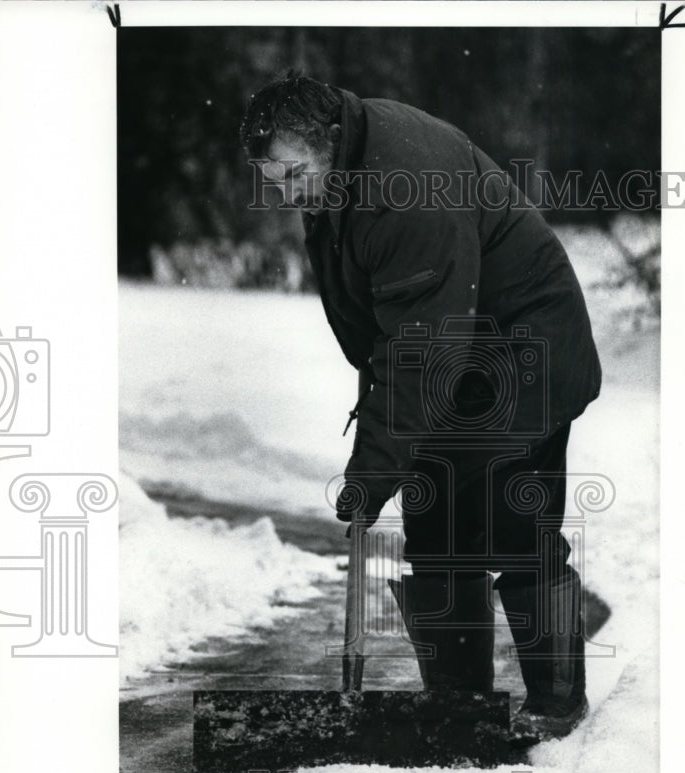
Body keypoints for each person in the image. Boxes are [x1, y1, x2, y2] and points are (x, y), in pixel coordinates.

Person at [240, 73, 602, 739]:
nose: (283, 195)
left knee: (512, 525)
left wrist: (372, 470)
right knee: (435, 528)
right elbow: (398, 324)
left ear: (326, 140)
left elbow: (422, 351)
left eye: (290, 176)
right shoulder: (340, 167)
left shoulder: (404, 188)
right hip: (461, 353)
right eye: (273, 180)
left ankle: (557, 705)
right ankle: (460, 706)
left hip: (525, 353)